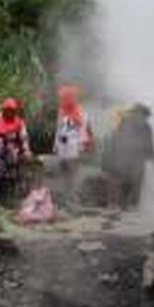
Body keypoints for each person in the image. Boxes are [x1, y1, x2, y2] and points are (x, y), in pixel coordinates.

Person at [102, 104, 154, 210]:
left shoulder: (123, 121)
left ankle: (117, 204)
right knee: (133, 182)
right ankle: (127, 204)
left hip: (126, 157)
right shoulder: (143, 125)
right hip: (130, 158)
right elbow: (149, 143)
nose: (145, 118)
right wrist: (152, 157)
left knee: (122, 181)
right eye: (144, 115)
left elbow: (113, 138)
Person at [0, 98, 33, 208]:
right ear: (3, 110)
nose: (9, 112)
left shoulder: (19, 124)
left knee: (7, 180)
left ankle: (4, 202)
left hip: (11, 155)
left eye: (12, 110)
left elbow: (24, 139)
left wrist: (26, 151)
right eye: (7, 110)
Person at [54, 85, 94, 213]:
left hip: (74, 150)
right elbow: (58, 130)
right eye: (63, 98)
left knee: (72, 176)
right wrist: (55, 146)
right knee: (64, 176)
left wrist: (82, 147)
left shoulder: (81, 113)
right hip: (63, 149)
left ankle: (72, 203)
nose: (64, 100)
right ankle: (65, 202)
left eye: (66, 98)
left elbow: (85, 132)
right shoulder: (61, 111)